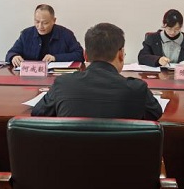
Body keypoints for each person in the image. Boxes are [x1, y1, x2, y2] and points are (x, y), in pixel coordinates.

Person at [32, 22, 163, 120]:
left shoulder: (62, 85)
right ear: (121, 55)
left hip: (73, 150)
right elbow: (156, 114)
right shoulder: (137, 89)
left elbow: (38, 113)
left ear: (85, 55)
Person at [5, 4, 84, 67]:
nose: (40, 26)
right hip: (31, 77)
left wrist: (55, 58)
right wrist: (14, 57)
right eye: (37, 21)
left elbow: (79, 55)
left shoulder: (66, 34)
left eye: (45, 23)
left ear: (54, 20)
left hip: (57, 77)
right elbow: (11, 53)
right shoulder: (26, 34)